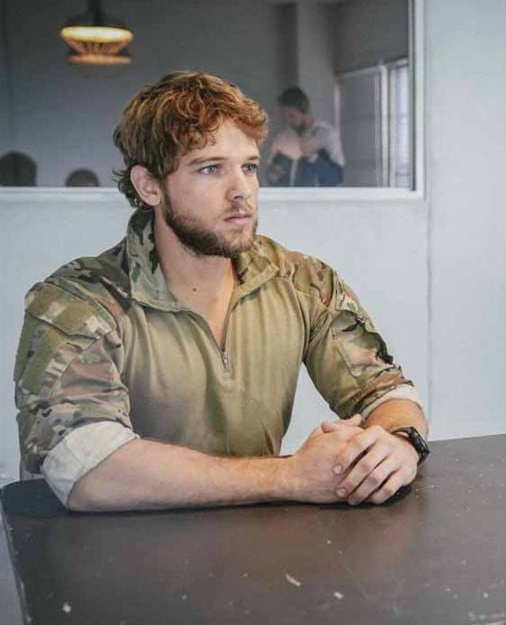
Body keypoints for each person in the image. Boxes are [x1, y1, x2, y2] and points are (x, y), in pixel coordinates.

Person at [14, 71, 427, 512]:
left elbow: (386, 391)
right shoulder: (77, 300)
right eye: (210, 169)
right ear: (149, 185)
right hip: (117, 560)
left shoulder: (302, 280)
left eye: (248, 167)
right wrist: (289, 475)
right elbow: (87, 470)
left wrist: (399, 444)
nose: (242, 192)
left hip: (261, 553)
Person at [265, 86, 344, 187]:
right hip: (290, 200)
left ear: (305, 111)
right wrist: (273, 175)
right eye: (285, 116)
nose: (288, 121)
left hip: (318, 200)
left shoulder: (326, 135)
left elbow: (337, 178)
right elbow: (272, 178)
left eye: (292, 115)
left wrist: (313, 157)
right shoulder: (283, 138)